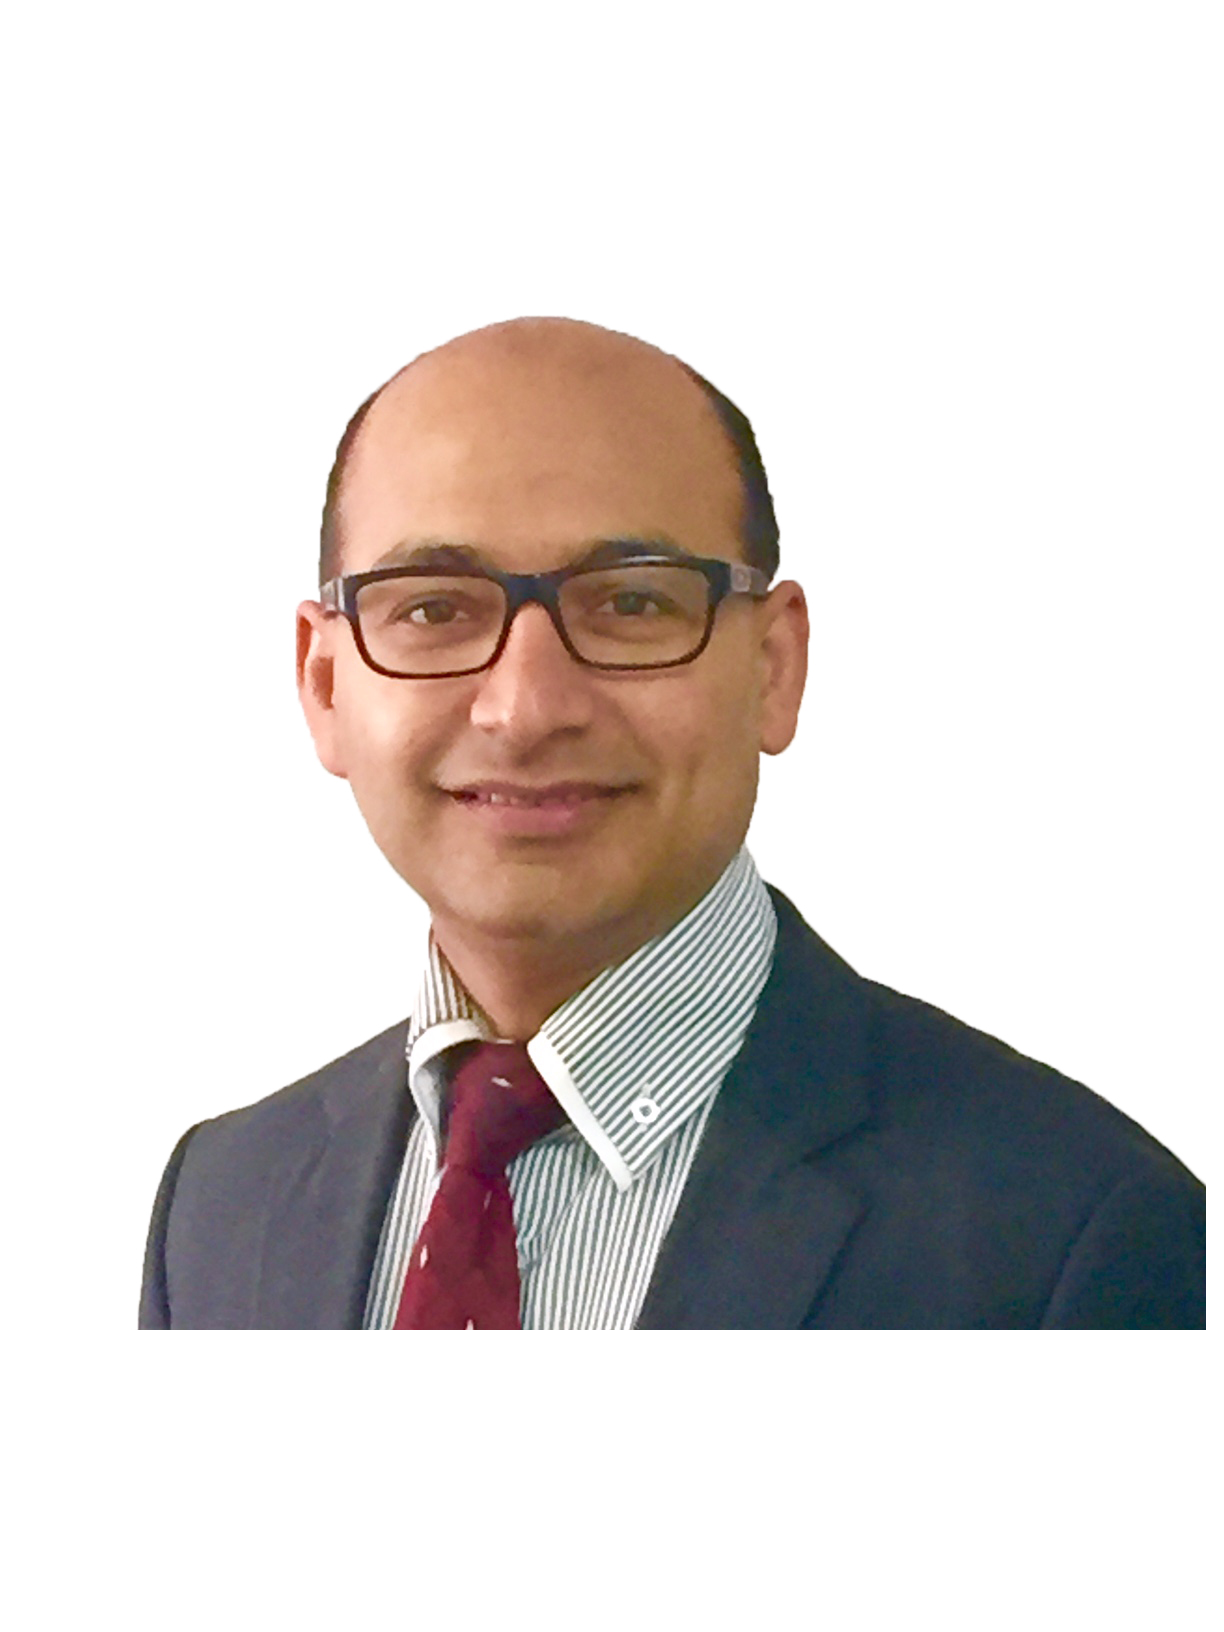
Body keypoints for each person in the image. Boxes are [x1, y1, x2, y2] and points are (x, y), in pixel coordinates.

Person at [139, 316, 1205, 1329]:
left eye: (632, 602)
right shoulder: (218, 1208)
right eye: (433, 608)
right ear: (324, 684)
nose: (525, 707)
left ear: (775, 668)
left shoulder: (1083, 1238)